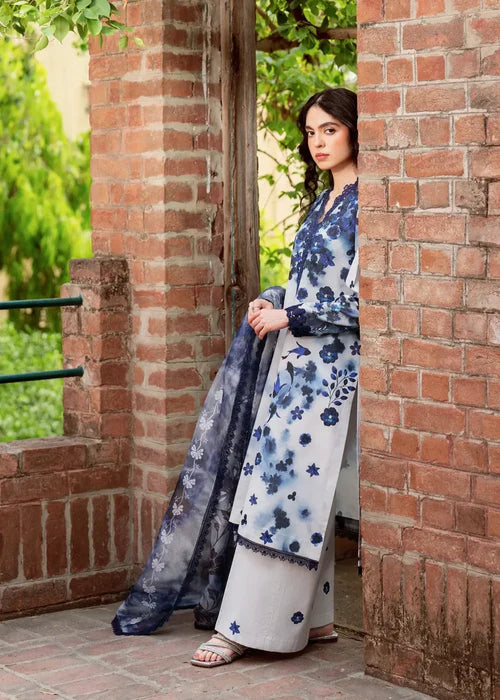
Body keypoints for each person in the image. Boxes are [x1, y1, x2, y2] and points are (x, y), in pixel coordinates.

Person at [112, 87, 359, 669]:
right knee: (290, 486)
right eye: (311, 132)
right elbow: (310, 286)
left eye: (330, 129)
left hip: (330, 375)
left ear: (356, 131)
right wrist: (275, 298)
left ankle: (247, 627)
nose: (318, 142)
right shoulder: (324, 202)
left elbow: (365, 300)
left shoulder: (370, 204)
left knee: (283, 492)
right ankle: (316, 619)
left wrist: (290, 316)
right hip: (295, 366)